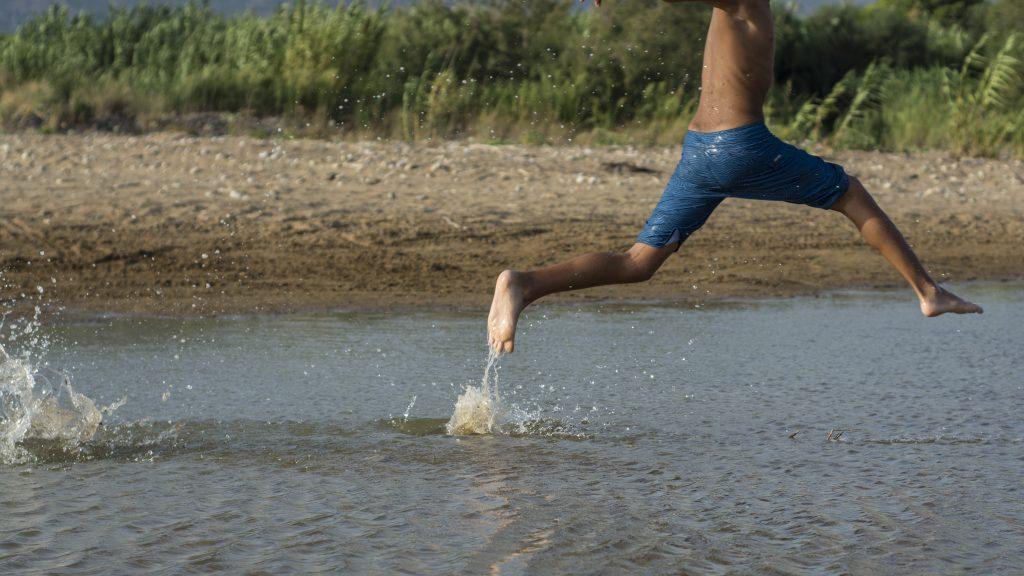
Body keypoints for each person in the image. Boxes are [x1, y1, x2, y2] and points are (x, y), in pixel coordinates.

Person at [487, 0, 982, 353]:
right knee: (850, 194)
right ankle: (927, 292)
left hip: (699, 152)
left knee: (638, 263)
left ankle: (524, 284)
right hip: (741, 146)